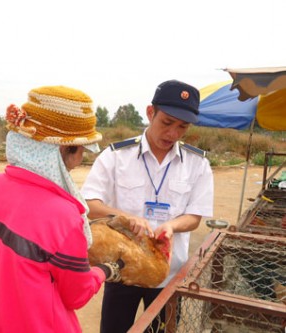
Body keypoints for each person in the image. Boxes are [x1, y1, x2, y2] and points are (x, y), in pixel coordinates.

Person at [0, 86, 123, 333]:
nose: (81, 160)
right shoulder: (63, 215)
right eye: (82, 149)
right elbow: (76, 296)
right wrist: (105, 270)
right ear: (62, 150)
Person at [81, 80, 214, 333]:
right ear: (150, 113)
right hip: (121, 269)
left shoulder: (197, 164)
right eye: (167, 123)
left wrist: (172, 226)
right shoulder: (116, 156)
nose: (173, 133)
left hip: (169, 273)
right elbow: (90, 203)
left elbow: (194, 216)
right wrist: (125, 217)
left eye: (182, 126)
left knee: (162, 330)